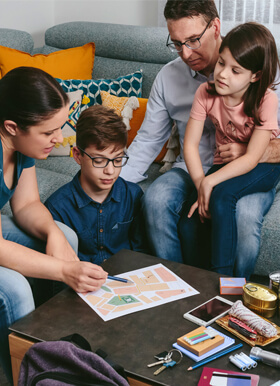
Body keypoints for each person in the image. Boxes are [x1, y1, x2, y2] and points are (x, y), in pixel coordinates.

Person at [120, 0, 280, 277]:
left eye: (193, 40)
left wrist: (251, 151)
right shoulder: (172, 78)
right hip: (191, 168)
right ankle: (181, 287)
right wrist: (110, 181)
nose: (185, 53)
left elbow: (263, 144)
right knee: (155, 199)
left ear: (216, 27)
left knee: (242, 215)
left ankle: (233, 295)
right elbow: (148, 140)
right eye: (177, 43)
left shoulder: (263, 71)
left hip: (250, 168)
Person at [0, 67, 107, 383]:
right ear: (12, 127)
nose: (59, 139)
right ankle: (24, 373)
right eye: (49, 133)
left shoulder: (19, 146)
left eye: (59, 128)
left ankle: (58, 347)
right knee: (15, 289)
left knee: (66, 236)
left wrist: (52, 233)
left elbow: (27, 204)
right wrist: (63, 271)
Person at [180, 22, 280, 276]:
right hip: (225, 162)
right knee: (191, 216)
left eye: (236, 70)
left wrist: (211, 182)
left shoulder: (266, 99)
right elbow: (190, 144)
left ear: (255, 75)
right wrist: (201, 182)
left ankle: (224, 285)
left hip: (264, 166)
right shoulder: (206, 92)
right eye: (222, 63)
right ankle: (199, 280)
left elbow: (251, 159)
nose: (223, 74)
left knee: (223, 197)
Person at [45, 105, 147, 264]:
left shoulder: (133, 196)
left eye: (118, 160)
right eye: (99, 161)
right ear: (78, 155)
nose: (110, 170)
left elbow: (141, 252)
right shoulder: (57, 208)